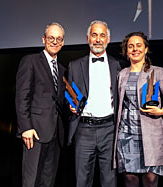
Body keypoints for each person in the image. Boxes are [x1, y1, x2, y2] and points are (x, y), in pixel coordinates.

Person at [113, 32, 163, 187]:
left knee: (150, 180)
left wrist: (162, 111)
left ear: (145, 49)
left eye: (138, 45)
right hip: (127, 135)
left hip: (150, 134)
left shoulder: (157, 72)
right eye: (131, 46)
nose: (135, 49)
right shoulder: (121, 75)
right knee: (130, 180)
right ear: (126, 51)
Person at [67, 20, 121, 187]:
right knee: (82, 181)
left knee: (109, 181)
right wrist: (69, 105)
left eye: (102, 35)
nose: (98, 39)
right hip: (84, 129)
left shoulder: (118, 65)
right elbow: (69, 94)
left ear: (108, 39)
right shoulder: (74, 65)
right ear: (88, 38)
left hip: (109, 130)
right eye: (94, 35)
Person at [15, 22, 66, 187]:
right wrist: (25, 127)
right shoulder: (30, 61)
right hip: (35, 132)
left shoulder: (63, 70)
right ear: (43, 39)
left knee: (47, 182)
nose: (55, 42)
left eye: (59, 39)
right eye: (51, 37)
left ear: (63, 42)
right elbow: (22, 96)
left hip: (56, 135)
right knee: (31, 182)